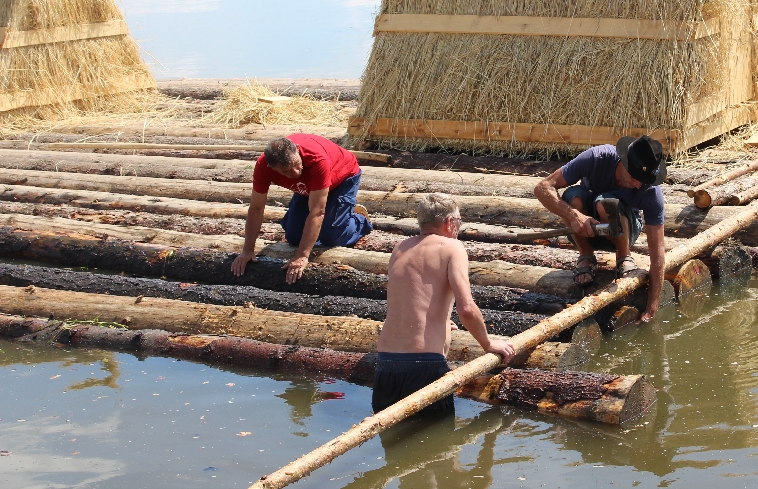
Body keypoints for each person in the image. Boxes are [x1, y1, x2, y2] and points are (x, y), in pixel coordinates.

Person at [373, 193, 516, 415]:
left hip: (385, 364)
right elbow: (466, 308)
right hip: (424, 366)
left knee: (392, 446)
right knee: (440, 448)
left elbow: (407, 297)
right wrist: (488, 343)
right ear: (450, 222)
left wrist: (439, 320)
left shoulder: (400, 248)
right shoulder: (452, 247)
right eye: (459, 220)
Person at [534, 135, 668, 322]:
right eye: (635, 177)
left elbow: (658, 254)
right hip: (585, 230)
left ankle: (624, 256)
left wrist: (651, 308)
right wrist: (575, 216)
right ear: (623, 162)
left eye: (644, 180)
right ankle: (586, 255)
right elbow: (542, 188)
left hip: (625, 230)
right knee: (573, 196)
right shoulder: (598, 157)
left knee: (605, 202)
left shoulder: (651, 192)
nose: (638, 184)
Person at [230, 133, 372, 284]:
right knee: (294, 237)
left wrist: (302, 256)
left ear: (297, 150)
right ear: (272, 168)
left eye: (296, 164)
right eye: (286, 171)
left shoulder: (317, 159)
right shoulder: (263, 166)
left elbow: (317, 212)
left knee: (331, 236)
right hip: (308, 187)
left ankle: (359, 221)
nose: (296, 172)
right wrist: (247, 250)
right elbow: (257, 208)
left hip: (342, 177)